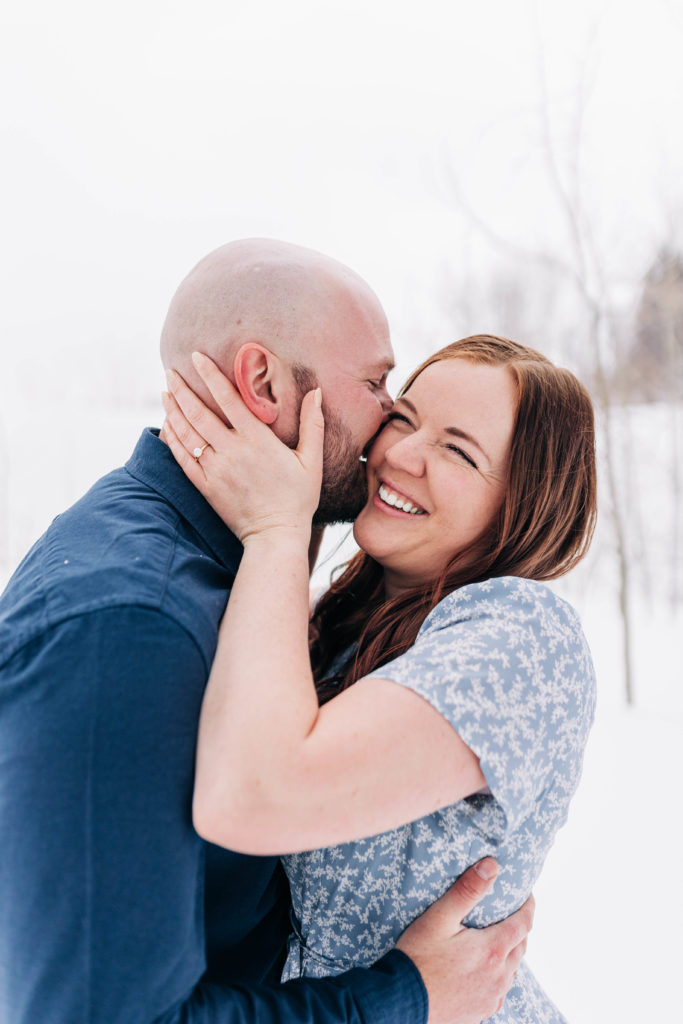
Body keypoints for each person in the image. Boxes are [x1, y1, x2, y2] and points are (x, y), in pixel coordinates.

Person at [0, 241, 533, 1024]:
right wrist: (402, 998)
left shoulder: (231, 573)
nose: (390, 421)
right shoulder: (130, 626)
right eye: (378, 384)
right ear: (264, 383)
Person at [161, 332, 598, 1024]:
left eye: (457, 450)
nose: (397, 453)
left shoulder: (523, 635)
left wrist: (277, 526)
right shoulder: (349, 627)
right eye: (403, 416)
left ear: (523, 505)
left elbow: (253, 796)